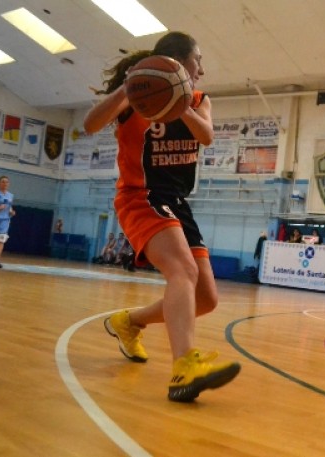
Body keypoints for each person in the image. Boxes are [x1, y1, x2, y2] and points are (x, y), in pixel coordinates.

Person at [83, 31, 240, 402]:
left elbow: (206, 137)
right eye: (197, 59)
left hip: (177, 203)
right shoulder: (136, 99)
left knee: (205, 299)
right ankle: (184, 368)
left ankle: (129, 322)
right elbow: (89, 125)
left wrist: (180, 101)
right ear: (177, 61)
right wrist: (127, 90)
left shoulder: (199, 100)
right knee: (182, 272)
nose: (201, 68)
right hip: (140, 197)